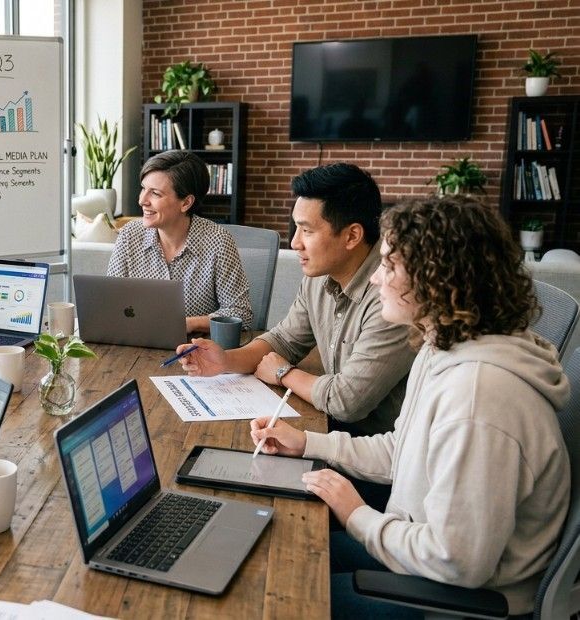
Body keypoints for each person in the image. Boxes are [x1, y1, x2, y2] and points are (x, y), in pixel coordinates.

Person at [251, 195, 570, 617]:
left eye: (389, 266)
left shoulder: (480, 398)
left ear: (437, 281)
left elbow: (458, 561)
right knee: (276, 550)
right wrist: (308, 443)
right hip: (416, 554)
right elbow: (403, 449)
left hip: (457, 600)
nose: (375, 278)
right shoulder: (443, 346)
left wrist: (357, 514)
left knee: (278, 599)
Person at [178, 162, 415, 435]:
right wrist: (224, 361)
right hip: (328, 428)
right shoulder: (319, 276)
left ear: (352, 236)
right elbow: (283, 340)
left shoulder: (393, 296)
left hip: (372, 447)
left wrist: (284, 374)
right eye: (296, 227)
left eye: (307, 230)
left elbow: (347, 401)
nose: (294, 242)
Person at [106, 150, 253, 333]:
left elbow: (241, 314)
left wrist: (188, 323)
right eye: (143, 188)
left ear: (186, 203)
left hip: (194, 346)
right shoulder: (130, 234)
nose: (142, 200)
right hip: (136, 341)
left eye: (155, 193)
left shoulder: (218, 241)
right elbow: (111, 302)